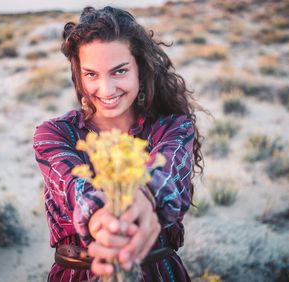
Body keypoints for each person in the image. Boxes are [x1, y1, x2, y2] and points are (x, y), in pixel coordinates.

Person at [33, 6, 203, 281]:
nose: (106, 89)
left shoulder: (173, 128)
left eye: (119, 71)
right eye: (91, 74)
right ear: (78, 75)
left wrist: (144, 199)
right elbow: (74, 188)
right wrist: (102, 217)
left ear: (140, 69)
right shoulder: (54, 134)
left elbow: (169, 176)